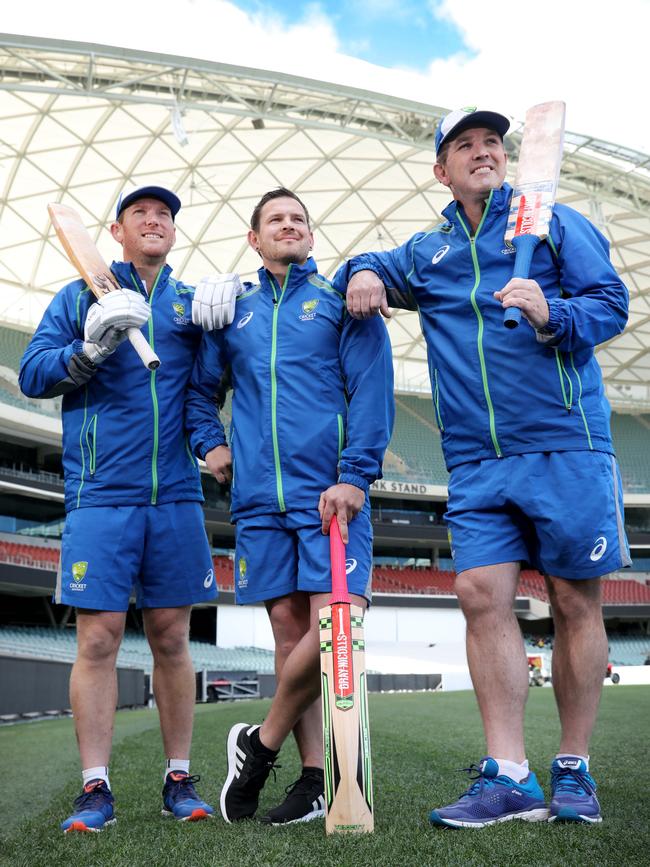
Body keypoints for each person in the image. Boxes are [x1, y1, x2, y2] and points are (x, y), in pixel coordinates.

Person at [334, 107, 631, 827]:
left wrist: (554, 312)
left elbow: (610, 302)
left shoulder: (550, 220)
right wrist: (366, 270)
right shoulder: (429, 250)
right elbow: (362, 264)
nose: (482, 152)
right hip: (474, 459)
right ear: (442, 169)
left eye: (492, 142)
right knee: (477, 593)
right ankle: (510, 773)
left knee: (573, 603)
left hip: (565, 441)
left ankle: (573, 767)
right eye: (464, 145)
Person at [19, 185, 228, 832]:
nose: (155, 219)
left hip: (174, 496)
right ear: (116, 230)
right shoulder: (77, 296)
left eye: (165, 213)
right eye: (141, 212)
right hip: (101, 495)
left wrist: (212, 445)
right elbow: (32, 373)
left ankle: (179, 777)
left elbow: (202, 392)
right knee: (100, 637)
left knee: (171, 637)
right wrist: (88, 351)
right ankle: (95, 786)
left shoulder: (191, 305)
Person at [185, 187, 394, 825]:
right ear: (254, 239)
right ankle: (311, 780)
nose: (289, 225)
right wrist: (212, 445)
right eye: (275, 219)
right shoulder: (233, 313)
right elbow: (200, 393)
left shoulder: (339, 303)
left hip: (330, 497)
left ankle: (261, 742)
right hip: (257, 503)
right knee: (288, 634)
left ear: (310, 235)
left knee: (335, 625)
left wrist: (355, 477)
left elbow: (372, 392)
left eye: (299, 218)